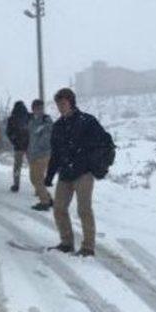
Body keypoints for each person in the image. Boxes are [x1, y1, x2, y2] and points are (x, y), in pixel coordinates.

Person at [45, 87, 106, 257]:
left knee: (84, 209)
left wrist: (98, 165)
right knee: (58, 208)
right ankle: (66, 243)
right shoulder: (57, 126)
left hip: (84, 172)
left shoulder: (87, 121)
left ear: (71, 102)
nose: (60, 107)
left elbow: (104, 143)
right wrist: (49, 175)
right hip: (65, 173)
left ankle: (88, 247)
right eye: (58, 104)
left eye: (63, 103)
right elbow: (55, 153)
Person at [27, 98, 54, 211]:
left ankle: (44, 202)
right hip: (33, 154)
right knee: (33, 179)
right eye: (36, 108)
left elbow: (47, 138)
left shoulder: (46, 121)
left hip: (43, 155)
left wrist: (39, 148)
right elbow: (31, 137)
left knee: (38, 179)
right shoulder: (32, 121)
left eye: (40, 108)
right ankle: (47, 197)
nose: (38, 110)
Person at [6, 100, 30, 191]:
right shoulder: (29, 116)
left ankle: (16, 184)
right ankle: (38, 186)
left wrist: (14, 141)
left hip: (18, 146)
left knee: (17, 167)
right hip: (29, 145)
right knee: (34, 167)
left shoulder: (12, 118)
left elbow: (8, 132)